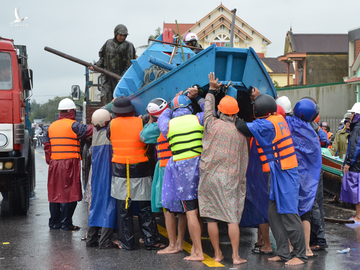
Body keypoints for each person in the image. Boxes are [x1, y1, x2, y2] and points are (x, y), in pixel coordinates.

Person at [235, 94, 307, 265]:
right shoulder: (278, 119)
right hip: (278, 172)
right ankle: (283, 252)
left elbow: (242, 127)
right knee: (273, 213)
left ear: (259, 110)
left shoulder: (267, 124)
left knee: (289, 214)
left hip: (286, 173)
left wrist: (233, 115)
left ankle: (300, 255)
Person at [198, 73, 248, 264]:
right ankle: (235, 256)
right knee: (232, 218)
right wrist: (241, 181)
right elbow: (244, 160)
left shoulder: (211, 124)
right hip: (231, 179)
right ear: (235, 113)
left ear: (220, 111)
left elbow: (208, 110)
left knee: (211, 218)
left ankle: (217, 253)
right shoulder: (241, 133)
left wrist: (211, 90)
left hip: (209, 178)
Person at [107, 96, 163, 250]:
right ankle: (151, 241)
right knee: (145, 207)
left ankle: (127, 242)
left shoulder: (111, 125)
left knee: (124, 209)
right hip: (140, 168)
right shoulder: (142, 121)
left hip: (119, 170)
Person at [158, 90, 205, 261]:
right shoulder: (198, 118)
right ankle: (196, 248)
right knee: (199, 211)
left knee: (191, 211)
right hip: (202, 167)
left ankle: (198, 251)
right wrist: (198, 97)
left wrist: (172, 102)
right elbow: (210, 110)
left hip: (182, 173)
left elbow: (163, 115)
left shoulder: (168, 125)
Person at [140, 98, 187, 254]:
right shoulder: (178, 122)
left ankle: (172, 245)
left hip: (165, 168)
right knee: (182, 208)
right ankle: (180, 243)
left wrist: (150, 121)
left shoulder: (157, 127)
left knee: (168, 208)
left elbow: (143, 136)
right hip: (181, 167)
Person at [43, 98, 93, 231]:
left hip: (54, 164)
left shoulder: (51, 127)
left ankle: (54, 223)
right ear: (71, 111)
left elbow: (47, 147)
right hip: (69, 163)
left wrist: (52, 161)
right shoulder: (74, 126)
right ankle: (66, 224)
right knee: (69, 194)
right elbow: (91, 130)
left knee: (55, 194)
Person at [287, 98, 322, 257]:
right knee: (305, 212)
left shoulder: (289, 124)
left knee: (290, 211)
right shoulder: (312, 132)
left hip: (292, 175)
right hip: (308, 179)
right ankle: (307, 248)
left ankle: (291, 246)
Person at [86, 109, 118, 248]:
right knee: (108, 205)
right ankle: (105, 241)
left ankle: (91, 239)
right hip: (108, 174)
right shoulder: (110, 134)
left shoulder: (95, 134)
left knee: (96, 205)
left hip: (96, 176)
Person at [90, 24, 136, 105]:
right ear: (115, 33)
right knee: (105, 98)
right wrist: (95, 66)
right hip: (107, 78)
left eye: (124, 35)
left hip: (120, 78)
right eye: (120, 35)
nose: (122, 37)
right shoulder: (108, 43)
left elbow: (130, 63)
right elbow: (102, 59)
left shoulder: (129, 46)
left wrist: (123, 77)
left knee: (120, 99)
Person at [341, 102, 360, 224]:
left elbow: (355, 147)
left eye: (352, 113)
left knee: (356, 191)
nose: (351, 116)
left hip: (356, 166)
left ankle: (358, 216)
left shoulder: (357, 129)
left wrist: (348, 163)